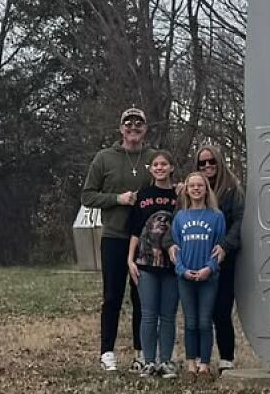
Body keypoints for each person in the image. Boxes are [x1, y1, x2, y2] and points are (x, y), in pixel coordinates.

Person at [81, 106, 153, 372]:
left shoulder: (154, 157)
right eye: (128, 124)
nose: (133, 128)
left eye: (138, 124)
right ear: (121, 128)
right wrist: (117, 199)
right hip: (113, 237)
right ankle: (107, 352)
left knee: (142, 298)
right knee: (112, 296)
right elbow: (87, 196)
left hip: (146, 241)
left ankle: (141, 352)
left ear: (145, 129)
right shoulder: (104, 158)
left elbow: (166, 188)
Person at [127, 150, 179, 379]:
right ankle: (148, 361)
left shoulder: (180, 195)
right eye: (156, 164)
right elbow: (135, 230)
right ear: (151, 169)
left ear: (171, 168)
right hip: (145, 263)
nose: (160, 168)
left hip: (172, 265)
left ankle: (166, 361)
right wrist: (130, 259)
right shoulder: (144, 195)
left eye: (164, 164)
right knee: (148, 314)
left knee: (168, 315)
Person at [169, 172, 226, 376]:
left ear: (206, 189)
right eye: (191, 185)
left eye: (199, 185)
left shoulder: (216, 216)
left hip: (208, 277)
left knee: (204, 321)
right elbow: (175, 249)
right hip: (185, 277)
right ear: (186, 190)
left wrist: (208, 269)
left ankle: (204, 363)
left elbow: (219, 247)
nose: (195, 189)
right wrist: (183, 271)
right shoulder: (180, 217)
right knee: (190, 321)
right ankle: (191, 362)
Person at [194, 143, 245, 370]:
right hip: (198, 257)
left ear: (219, 162)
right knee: (199, 312)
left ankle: (226, 359)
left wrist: (225, 246)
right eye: (202, 163)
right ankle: (198, 359)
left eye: (211, 161)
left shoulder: (232, 188)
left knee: (221, 310)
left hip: (226, 258)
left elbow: (239, 222)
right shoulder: (193, 187)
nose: (207, 166)